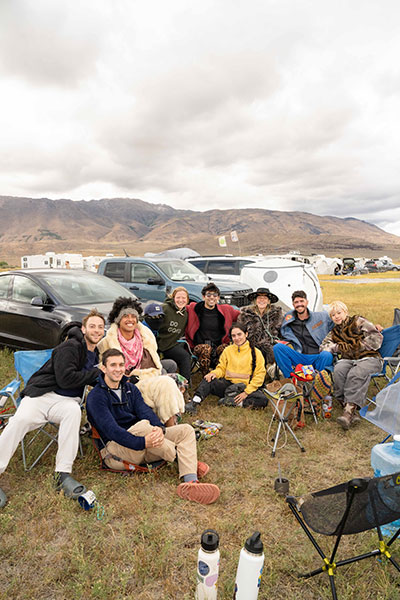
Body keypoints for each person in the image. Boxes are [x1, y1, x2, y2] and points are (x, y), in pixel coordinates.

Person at [0, 309, 105, 508]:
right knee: (19, 421)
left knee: (74, 412)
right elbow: (66, 379)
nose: (96, 330)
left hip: (66, 403)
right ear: (84, 328)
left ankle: (63, 475)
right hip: (41, 396)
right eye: (92, 326)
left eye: (100, 327)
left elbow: (99, 378)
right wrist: (95, 373)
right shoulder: (70, 346)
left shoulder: (95, 354)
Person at [86, 349, 220, 505]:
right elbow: (113, 431)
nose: (118, 369)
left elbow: (143, 411)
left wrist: (158, 428)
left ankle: (190, 483)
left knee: (185, 430)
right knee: (143, 426)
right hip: (116, 450)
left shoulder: (130, 389)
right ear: (103, 368)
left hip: (146, 440)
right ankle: (180, 457)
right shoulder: (96, 397)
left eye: (121, 365)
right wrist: (143, 442)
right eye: (113, 365)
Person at [97, 297, 185, 427]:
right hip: (125, 385)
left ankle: (170, 428)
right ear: (118, 319)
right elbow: (104, 371)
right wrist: (127, 379)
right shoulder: (108, 342)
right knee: (166, 383)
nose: (130, 320)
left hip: (148, 378)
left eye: (133, 316)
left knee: (169, 382)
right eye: (125, 316)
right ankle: (171, 428)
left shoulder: (145, 335)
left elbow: (155, 365)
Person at [320, 301, 383, 430]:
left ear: (346, 312)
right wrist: (338, 347)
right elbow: (323, 347)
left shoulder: (358, 321)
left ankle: (347, 413)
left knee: (356, 373)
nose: (337, 316)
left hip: (369, 357)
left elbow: (376, 338)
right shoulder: (334, 332)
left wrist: (351, 348)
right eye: (333, 315)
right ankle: (351, 409)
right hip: (349, 360)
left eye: (339, 313)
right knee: (339, 371)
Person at [185, 322, 266, 414]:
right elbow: (221, 368)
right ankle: (194, 402)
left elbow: (259, 375)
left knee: (262, 400)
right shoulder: (228, 350)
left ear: (246, 334)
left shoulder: (256, 352)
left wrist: (246, 392)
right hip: (228, 384)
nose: (237, 338)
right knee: (208, 379)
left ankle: (232, 402)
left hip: (245, 387)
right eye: (233, 336)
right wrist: (214, 373)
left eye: (239, 334)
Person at [273, 290, 334, 378]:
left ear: (307, 302)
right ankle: (290, 378)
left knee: (327, 355)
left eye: (302, 301)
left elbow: (337, 322)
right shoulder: (288, 320)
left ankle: (319, 381)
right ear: (293, 305)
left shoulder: (321, 316)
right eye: (296, 302)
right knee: (278, 348)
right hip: (299, 356)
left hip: (317, 356)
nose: (299, 304)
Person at [186, 282, 240, 376]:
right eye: (209, 295)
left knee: (226, 348)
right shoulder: (193, 308)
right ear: (203, 297)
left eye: (215, 295)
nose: (212, 297)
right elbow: (178, 307)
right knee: (206, 349)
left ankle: (221, 376)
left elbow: (242, 316)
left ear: (218, 298)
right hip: (199, 346)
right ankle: (206, 378)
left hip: (218, 345)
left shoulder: (226, 310)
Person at [238, 287, 283, 365]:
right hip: (250, 345)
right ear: (255, 300)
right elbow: (239, 331)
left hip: (270, 347)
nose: (262, 300)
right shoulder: (245, 314)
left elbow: (281, 332)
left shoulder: (277, 315)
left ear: (269, 301)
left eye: (265, 298)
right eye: (259, 298)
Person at [157, 287, 191, 383]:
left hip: (170, 345)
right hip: (157, 342)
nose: (181, 300)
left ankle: (184, 385)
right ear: (173, 298)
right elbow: (148, 317)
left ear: (187, 300)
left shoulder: (186, 314)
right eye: (178, 297)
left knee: (184, 356)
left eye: (184, 298)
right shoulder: (165, 308)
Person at [142, 302, 178, 374]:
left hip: (155, 361)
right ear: (146, 317)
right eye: (154, 317)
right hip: (143, 365)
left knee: (172, 365)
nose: (158, 319)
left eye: (160, 316)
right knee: (162, 372)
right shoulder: (142, 332)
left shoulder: (156, 330)